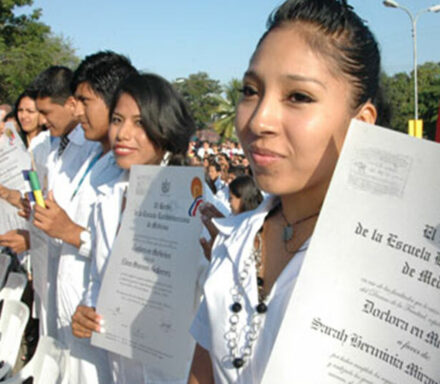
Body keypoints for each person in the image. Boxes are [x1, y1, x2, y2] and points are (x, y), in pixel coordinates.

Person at [188, 0, 379, 383]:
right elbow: (202, 371)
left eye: (298, 97)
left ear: (361, 122)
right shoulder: (234, 240)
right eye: (250, 90)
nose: (258, 120)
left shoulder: (388, 267)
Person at [71, 73, 196, 384]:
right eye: (117, 119)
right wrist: (88, 310)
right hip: (117, 366)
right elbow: (99, 278)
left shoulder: (198, 207)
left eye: (140, 122)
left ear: (165, 127)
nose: (122, 133)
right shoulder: (109, 196)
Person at [33, 51, 137, 384]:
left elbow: (132, 253)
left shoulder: (132, 171)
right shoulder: (95, 155)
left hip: (99, 321)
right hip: (72, 312)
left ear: (115, 101)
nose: (76, 111)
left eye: (83, 101)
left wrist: (71, 232)